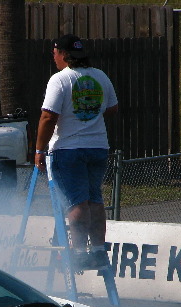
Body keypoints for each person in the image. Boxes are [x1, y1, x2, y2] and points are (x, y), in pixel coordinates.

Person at [34, 34, 118, 270]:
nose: (54, 57)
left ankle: (80, 253)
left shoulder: (60, 79)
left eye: (54, 53)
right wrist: (89, 117)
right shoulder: (100, 76)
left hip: (69, 149)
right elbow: (112, 107)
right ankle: (99, 251)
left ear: (62, 54)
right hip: (98, 146)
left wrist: (39, 149)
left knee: (76, 202)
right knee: (95, 200)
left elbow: (48, 116)